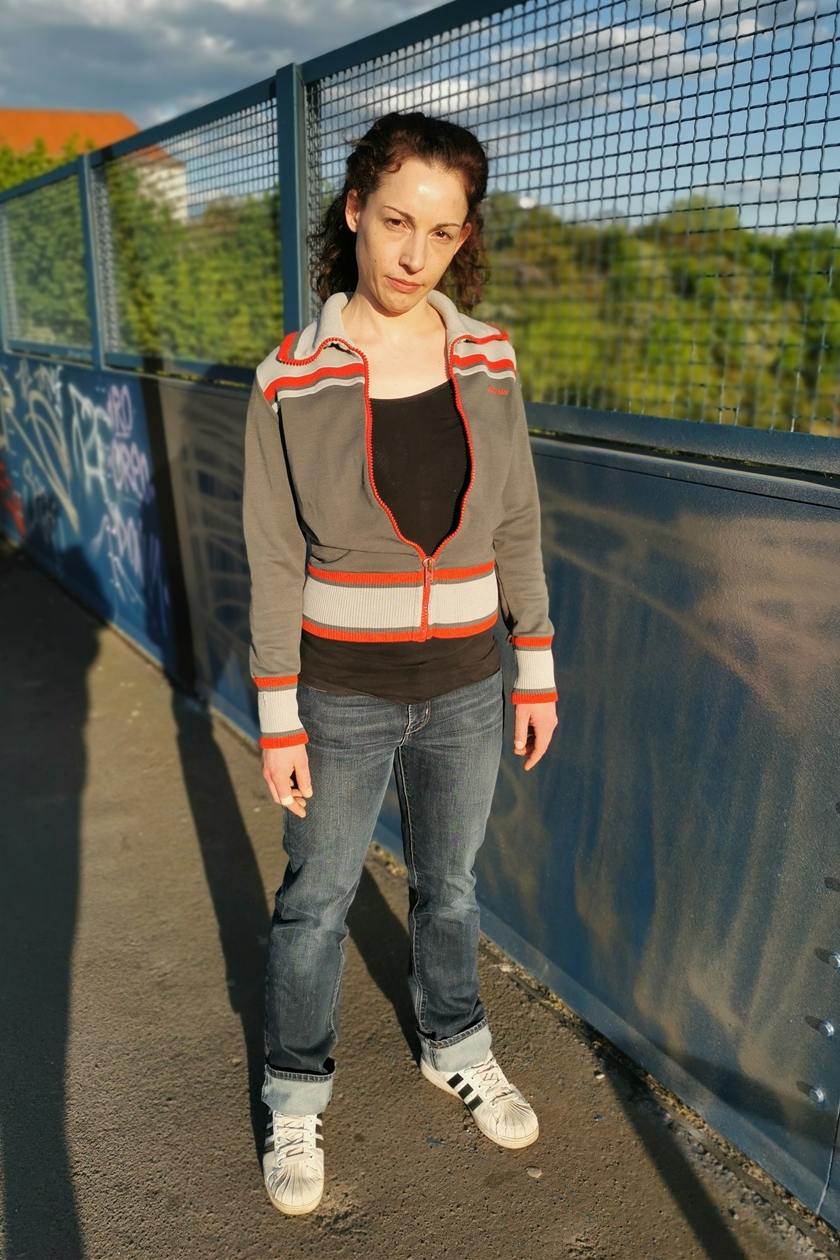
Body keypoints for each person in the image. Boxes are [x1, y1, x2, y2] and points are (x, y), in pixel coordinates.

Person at [243, 112, 558, 1217]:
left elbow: (515, 518)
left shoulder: (489, 357)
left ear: (464, 237)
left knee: (451, 886)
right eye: (394, 222)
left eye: (441, 231)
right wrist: (278, 714)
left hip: (469, 683)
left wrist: (535, 663)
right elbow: (274, 554)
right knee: (317, 901)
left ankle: (454, 1044)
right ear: (353, 213)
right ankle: (295, 1092)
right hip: (339, 694)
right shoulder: (290, 376)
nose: (414, 254)